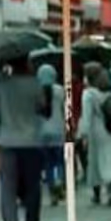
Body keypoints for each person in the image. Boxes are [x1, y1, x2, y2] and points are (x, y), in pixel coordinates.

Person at [0, 59, 44, 221]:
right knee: (33, 185)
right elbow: (41, 106)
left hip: (8, 140)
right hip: (31, 141)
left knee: (8, 185)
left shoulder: (2, 85)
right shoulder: (35, 84)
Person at [79, 63, 111, 206]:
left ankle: (96, 194)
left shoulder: (88, 94)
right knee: (109, 160)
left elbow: (87, 116)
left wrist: (83, 134)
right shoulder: (110, 89)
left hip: (96, 132)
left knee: (94, 162)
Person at [36, 64, 66, 205]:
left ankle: (52, 191)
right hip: (58, 129)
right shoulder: (60, 90)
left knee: (47, 163)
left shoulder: (36, 91)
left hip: (41, 132)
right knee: (59, 161)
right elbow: (65, 109)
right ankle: (60, 180)